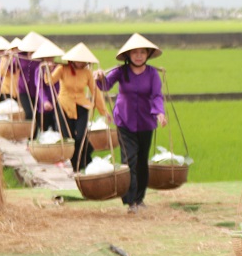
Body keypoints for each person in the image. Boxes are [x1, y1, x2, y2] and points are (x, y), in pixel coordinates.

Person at [96, 33, 167, 214]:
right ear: (128, 55)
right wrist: (99, 77)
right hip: (124, 121)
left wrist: (159, 112)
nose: (138, 56)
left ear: (147, 55)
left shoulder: (152, 74)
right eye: (134, 52)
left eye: (142, 52)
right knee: (129, 161)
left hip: (145, 122)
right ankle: (130, 201)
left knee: (142, 161)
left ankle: (139, 198)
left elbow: (157, 95)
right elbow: (104, 85)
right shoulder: (121, 71)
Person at [50, 43, 108, 173]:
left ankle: (84, 163)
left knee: (81, 137)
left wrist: (104, 111)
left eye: (83, 61)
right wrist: (47, 69)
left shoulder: (87, 73)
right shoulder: (61, 69)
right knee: (69, 139)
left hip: (82, 106)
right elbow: (49, 81)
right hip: (64, 106)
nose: (81, 63)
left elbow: (95, 91)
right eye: (78, 60)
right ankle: (78, 167)